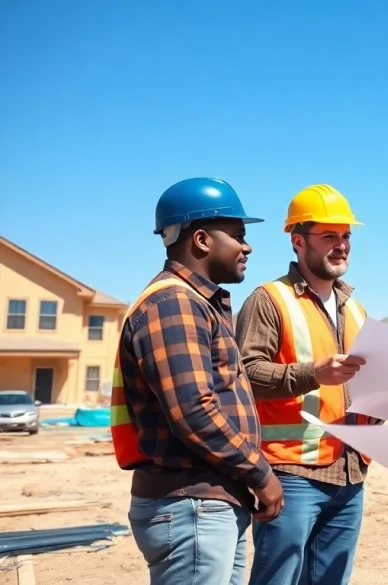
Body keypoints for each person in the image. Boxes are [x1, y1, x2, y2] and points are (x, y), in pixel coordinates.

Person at [234, 183, 388, 585]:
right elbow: (244, 375)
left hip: (350, 474)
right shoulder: (269, 300)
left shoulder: (356, 310)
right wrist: (313, 373)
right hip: (291, 473)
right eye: (329, 235)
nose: (342, 245)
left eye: (346, 235)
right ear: (298, 241)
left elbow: (366, 388)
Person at [109, 177, 281, 585]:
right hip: (191, 506)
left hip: (206, 503)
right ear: (202, 240)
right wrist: (260, 473)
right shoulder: (174, 304)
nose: (247, 247)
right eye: (238, 236)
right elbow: (193, 410)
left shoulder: (195, 303)